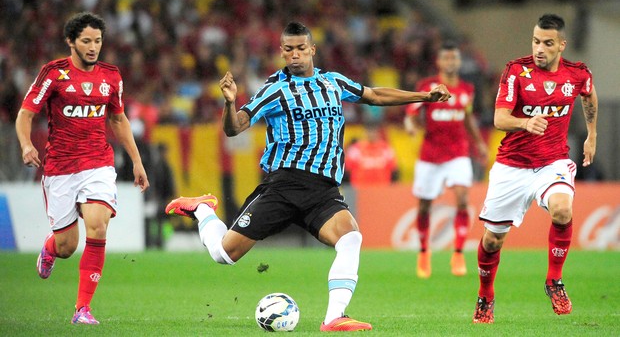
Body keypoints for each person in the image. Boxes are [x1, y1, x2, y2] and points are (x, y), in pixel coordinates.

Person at [165, 21, 450, 332]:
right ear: (282, 53)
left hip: (324, 189)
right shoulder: (274, 89)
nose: (296, 55)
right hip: (284, 185)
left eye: (301, 48)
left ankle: (334, 318)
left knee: (351, 237)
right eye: (289, 50)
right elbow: (235, 128)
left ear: (312, 49)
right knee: (223, 254)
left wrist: (424, 97)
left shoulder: (333, 83)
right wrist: (230, 102)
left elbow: (375, 95)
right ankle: (203, 209)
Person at [15, 12, 150, 324]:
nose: (93, 47)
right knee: (66, 246)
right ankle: (50, 248)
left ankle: (82, 309)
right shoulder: (53, 73)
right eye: (86, 41)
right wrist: (25, 144)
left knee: (98, 225)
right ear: (71, 42)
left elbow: (118, 119)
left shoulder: (111, 76)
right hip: (60, 168)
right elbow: (25, 113)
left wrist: (137, 161)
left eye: (98, 41)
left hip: (98, 163)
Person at [472, 14, 598, 323]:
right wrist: (526, 123)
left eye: (547, 43)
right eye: (535, 41)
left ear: (561, 45)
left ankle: (554, 280)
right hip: (512, 166)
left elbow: (589, 95)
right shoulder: (516, 71)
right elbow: (499, 119)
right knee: (492, 241)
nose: (540, 48)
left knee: (562, 210)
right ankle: (485, 296)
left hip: (552, 162)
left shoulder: (576, 74)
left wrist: (592, 135)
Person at [403, 42, 487, 278]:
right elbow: (411, 112)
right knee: (424, 206)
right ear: (439, 62)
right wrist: (410, 126)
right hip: (430, 155)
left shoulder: (466, 89)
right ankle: (423, 252)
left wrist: (479, 142)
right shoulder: (428, 87)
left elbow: (468, 117)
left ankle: (458, 252)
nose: (450, 62)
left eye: (454, 58)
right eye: (446, 58)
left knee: (462, 199)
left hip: (458, 153)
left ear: (458, 62)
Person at [344, 123, 398, 187]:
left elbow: (394, 171)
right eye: (369, 131)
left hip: (382, 188)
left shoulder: (386, 148)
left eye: (373, 131)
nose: (371, 133)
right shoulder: (355, 148)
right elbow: (347, 171)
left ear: (377, 132)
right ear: (365, 132)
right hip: (360, 189)